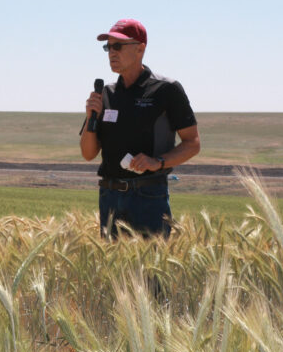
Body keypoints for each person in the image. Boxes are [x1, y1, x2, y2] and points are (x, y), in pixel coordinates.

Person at [80, 19, 200, 238]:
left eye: (118, 46)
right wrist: (90, 118)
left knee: (150, 261)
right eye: (108, 47)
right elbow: (88, 154)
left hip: (148, 196)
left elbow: (192, 143)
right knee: (113, 261)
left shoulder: (166, 89)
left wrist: (158, 162)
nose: (112, 53)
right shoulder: (106, 94)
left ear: (140, 48)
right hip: (109, 196)